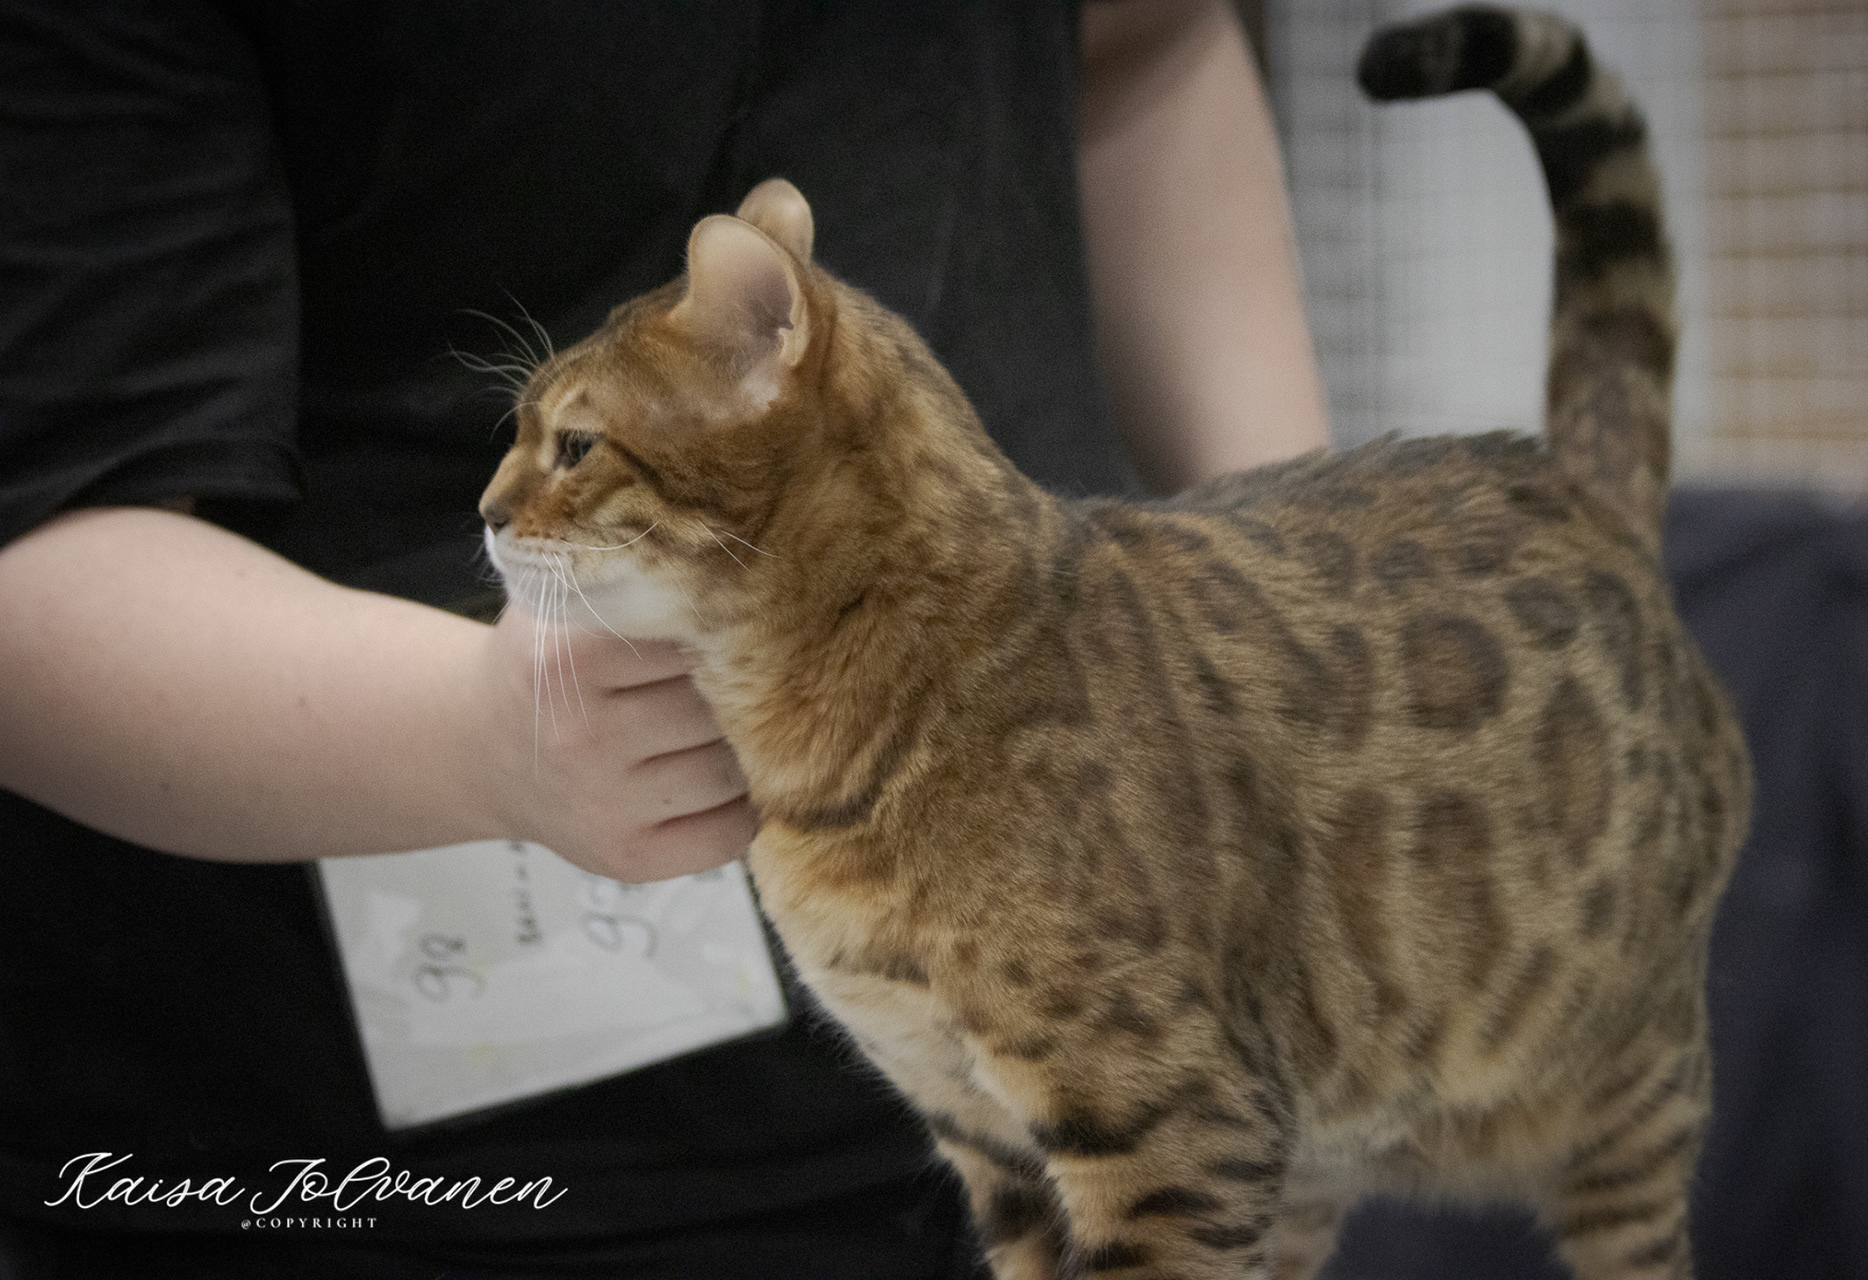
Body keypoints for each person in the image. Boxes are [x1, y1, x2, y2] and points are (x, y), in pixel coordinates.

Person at [0, 1, 1328, 1274]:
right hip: (389, 1160)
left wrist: (1294, 660)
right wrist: (477, 740)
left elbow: (1146, 50)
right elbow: (41, 543)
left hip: (1099, 1042)